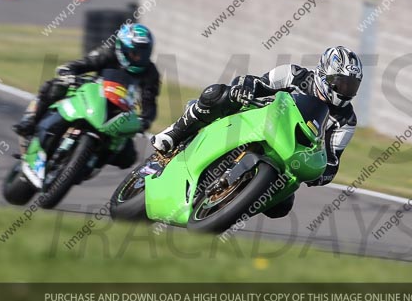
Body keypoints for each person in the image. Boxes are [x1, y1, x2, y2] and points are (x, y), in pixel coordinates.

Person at [151, 46, 362, 217]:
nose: (345, 91)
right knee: (218, 94)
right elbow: (255, 82)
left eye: (351, 87)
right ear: (324, 74)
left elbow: (332, 163)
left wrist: (317, 172)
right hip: (254, 117)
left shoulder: (346, 120)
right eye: (340, 84)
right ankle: (173, 134)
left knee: (282, 207)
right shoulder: (293, 75)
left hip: (289, 154)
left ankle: (226, 210)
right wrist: (244, 88)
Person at [13, 23, 160, 169]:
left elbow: (150, 100)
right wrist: (68, 71)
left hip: (120, 110)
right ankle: (30, 120)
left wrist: (145, 120)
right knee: (55, 86)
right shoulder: (109, 53)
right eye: (135, 53)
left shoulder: (150, 72)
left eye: (144, 54)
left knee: (129, 158)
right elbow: (86, 63)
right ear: (123, 47)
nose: (139, 58)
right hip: (95, 94)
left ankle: (92, 162)